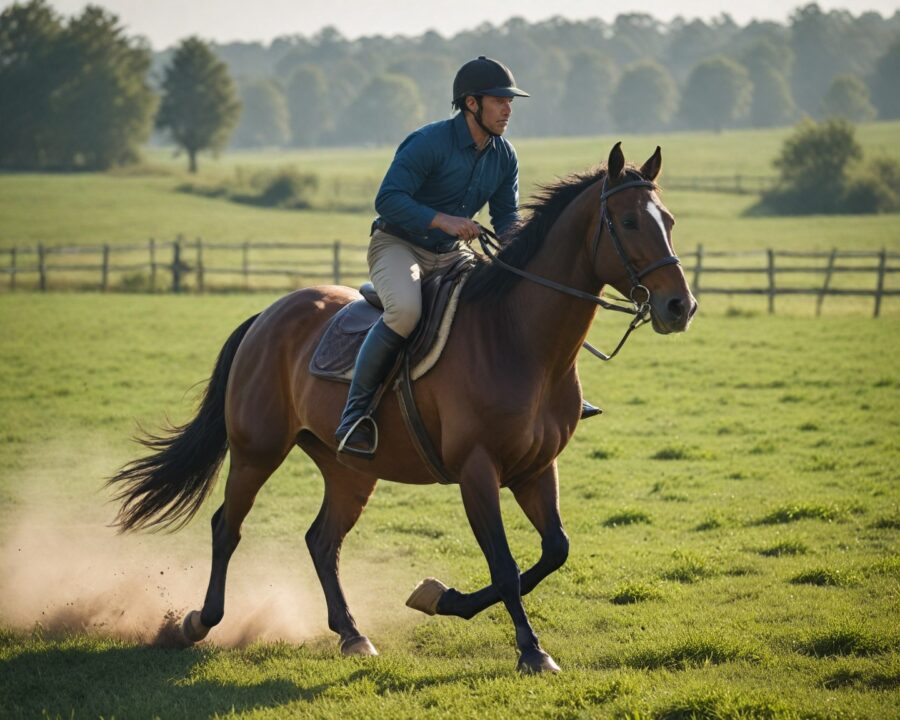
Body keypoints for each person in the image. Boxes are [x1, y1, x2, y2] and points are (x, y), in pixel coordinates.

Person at [335, 56, 600, 459]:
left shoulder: (504, 156)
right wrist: (443, 220)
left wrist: (523, 260)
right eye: (499, 101)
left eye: (510, 101)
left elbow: (507, 218)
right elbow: (387, 200)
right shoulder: (428, 142)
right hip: (398, 245)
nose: (508, 109)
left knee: (511, 302)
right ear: (472, 104)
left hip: (451, 254)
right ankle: (354, 414)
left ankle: (554, 393)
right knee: (405, 312)